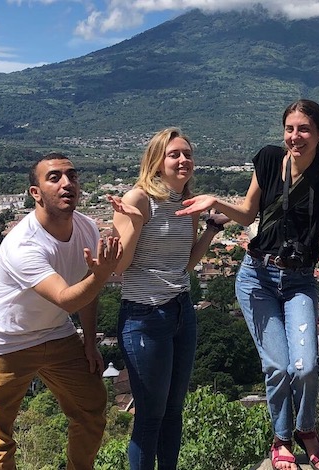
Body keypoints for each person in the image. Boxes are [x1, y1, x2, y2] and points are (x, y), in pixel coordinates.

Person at [175, 99, 319, 470]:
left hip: (299, 280)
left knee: (306, 366)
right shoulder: (268, 159)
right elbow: (248, 213)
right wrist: (217, 202)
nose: (295, 137)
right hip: (258, 276)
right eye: (290, 129)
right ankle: (282, 438)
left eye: (303, 130)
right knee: (279, 366)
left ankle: (307, 429)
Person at [0, 153, 122, 470]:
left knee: (91, 405)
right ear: (35, 193)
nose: (67, 183)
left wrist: (90, 343)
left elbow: (87, 288)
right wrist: (101, 275)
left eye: (72, 176)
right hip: (3, 339)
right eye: (54, 177)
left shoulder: (87, 228)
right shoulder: (22, 244)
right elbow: (67, 299)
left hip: (54, 331)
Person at [107, 128, 230, 470]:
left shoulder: (187, 205)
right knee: (150, 415)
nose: (183, 160)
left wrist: (211, 229)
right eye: (174, 154)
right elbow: (119, 266)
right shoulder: (137, 199)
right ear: (156, 161)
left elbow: (186, 263)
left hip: (180, 311)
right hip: (144, 315)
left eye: (187, 154)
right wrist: (131, 224)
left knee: (174, 411)